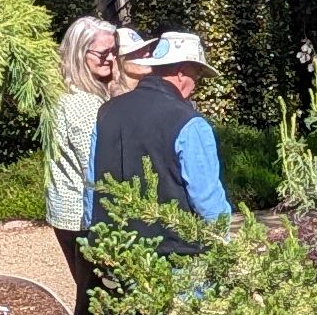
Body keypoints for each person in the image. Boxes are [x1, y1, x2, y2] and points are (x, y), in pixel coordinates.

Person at [45, 16, 128, 315]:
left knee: (89, 293)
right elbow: (93, 166)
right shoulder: (84, 106)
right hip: (82, 214)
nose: (111, 59)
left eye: (115, 51)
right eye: (103, 53)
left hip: (65, 212)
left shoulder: (66, 96)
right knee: (96, 296)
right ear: (80, 55)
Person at [90, 28, 232, 236]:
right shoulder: (190, 122)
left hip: (114, 249)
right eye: (197, 75)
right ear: (182, 72)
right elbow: (207, 199)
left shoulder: (106, 112)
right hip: (175, 254)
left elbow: (92, 183)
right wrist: (226, 242)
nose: (196, 84)